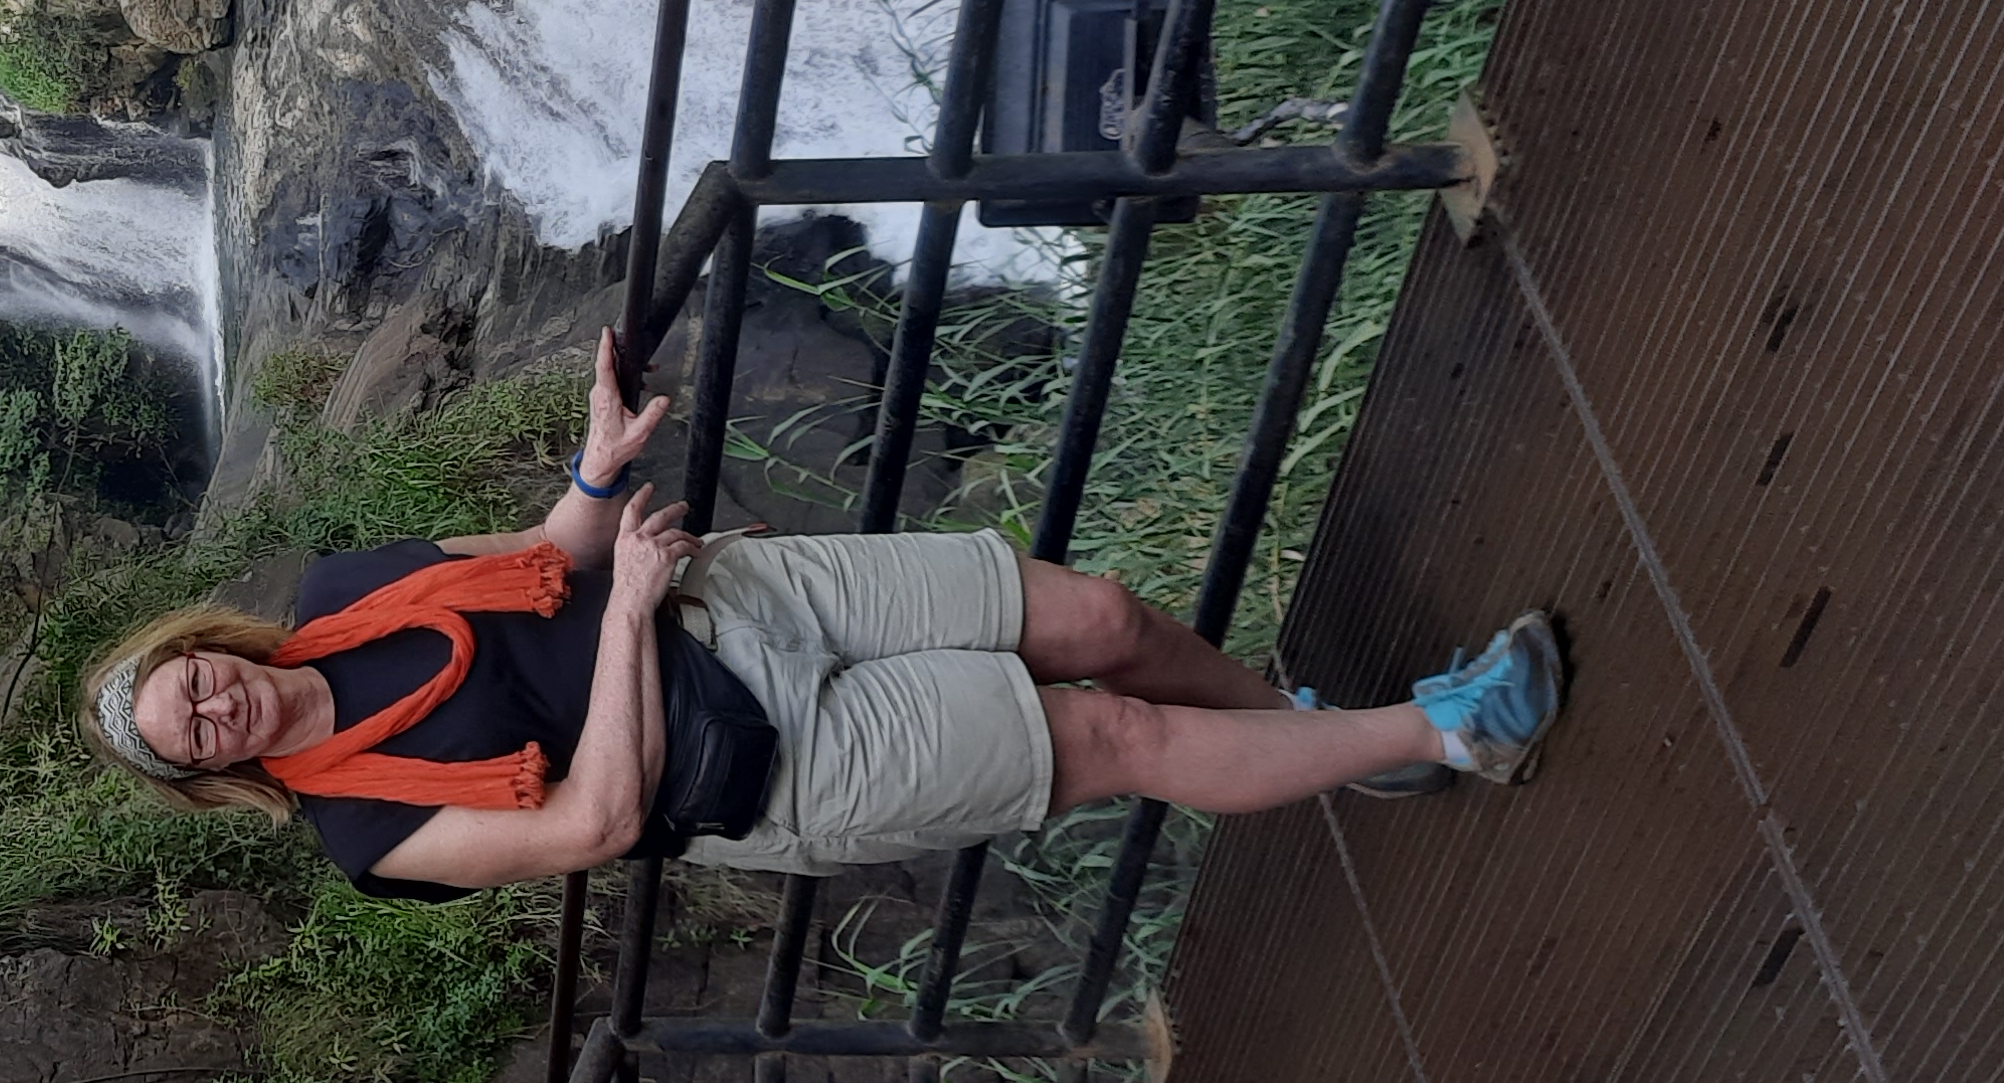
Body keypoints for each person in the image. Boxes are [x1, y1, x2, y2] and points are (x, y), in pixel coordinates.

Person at [78, 336, 1566, 894]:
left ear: (210, 646)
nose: (214, 705)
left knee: (1102, 618)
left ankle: (1329, 741)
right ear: (216, 776)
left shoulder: (345, 592)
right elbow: (597, 820)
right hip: (760, 763)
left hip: (739, 593)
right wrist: (624, 620)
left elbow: (547, 547)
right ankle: (1450, 729)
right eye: (194, 732)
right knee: (1105, 732)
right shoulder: (370, 838)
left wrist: (598, 463)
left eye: (192, 678)